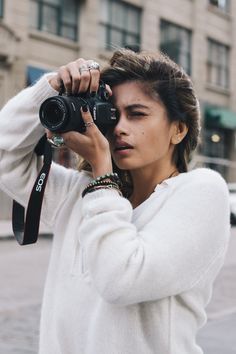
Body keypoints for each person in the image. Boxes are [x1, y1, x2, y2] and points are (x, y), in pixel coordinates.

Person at [0, 49, 230, 354]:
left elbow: (121, 280)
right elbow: (6, 155)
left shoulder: (202, 191)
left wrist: (102, 173)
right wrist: (52, 87)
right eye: (113, 115)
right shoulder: (81, 192)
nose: (119, 128)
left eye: (137, 114)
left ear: (178, 129)